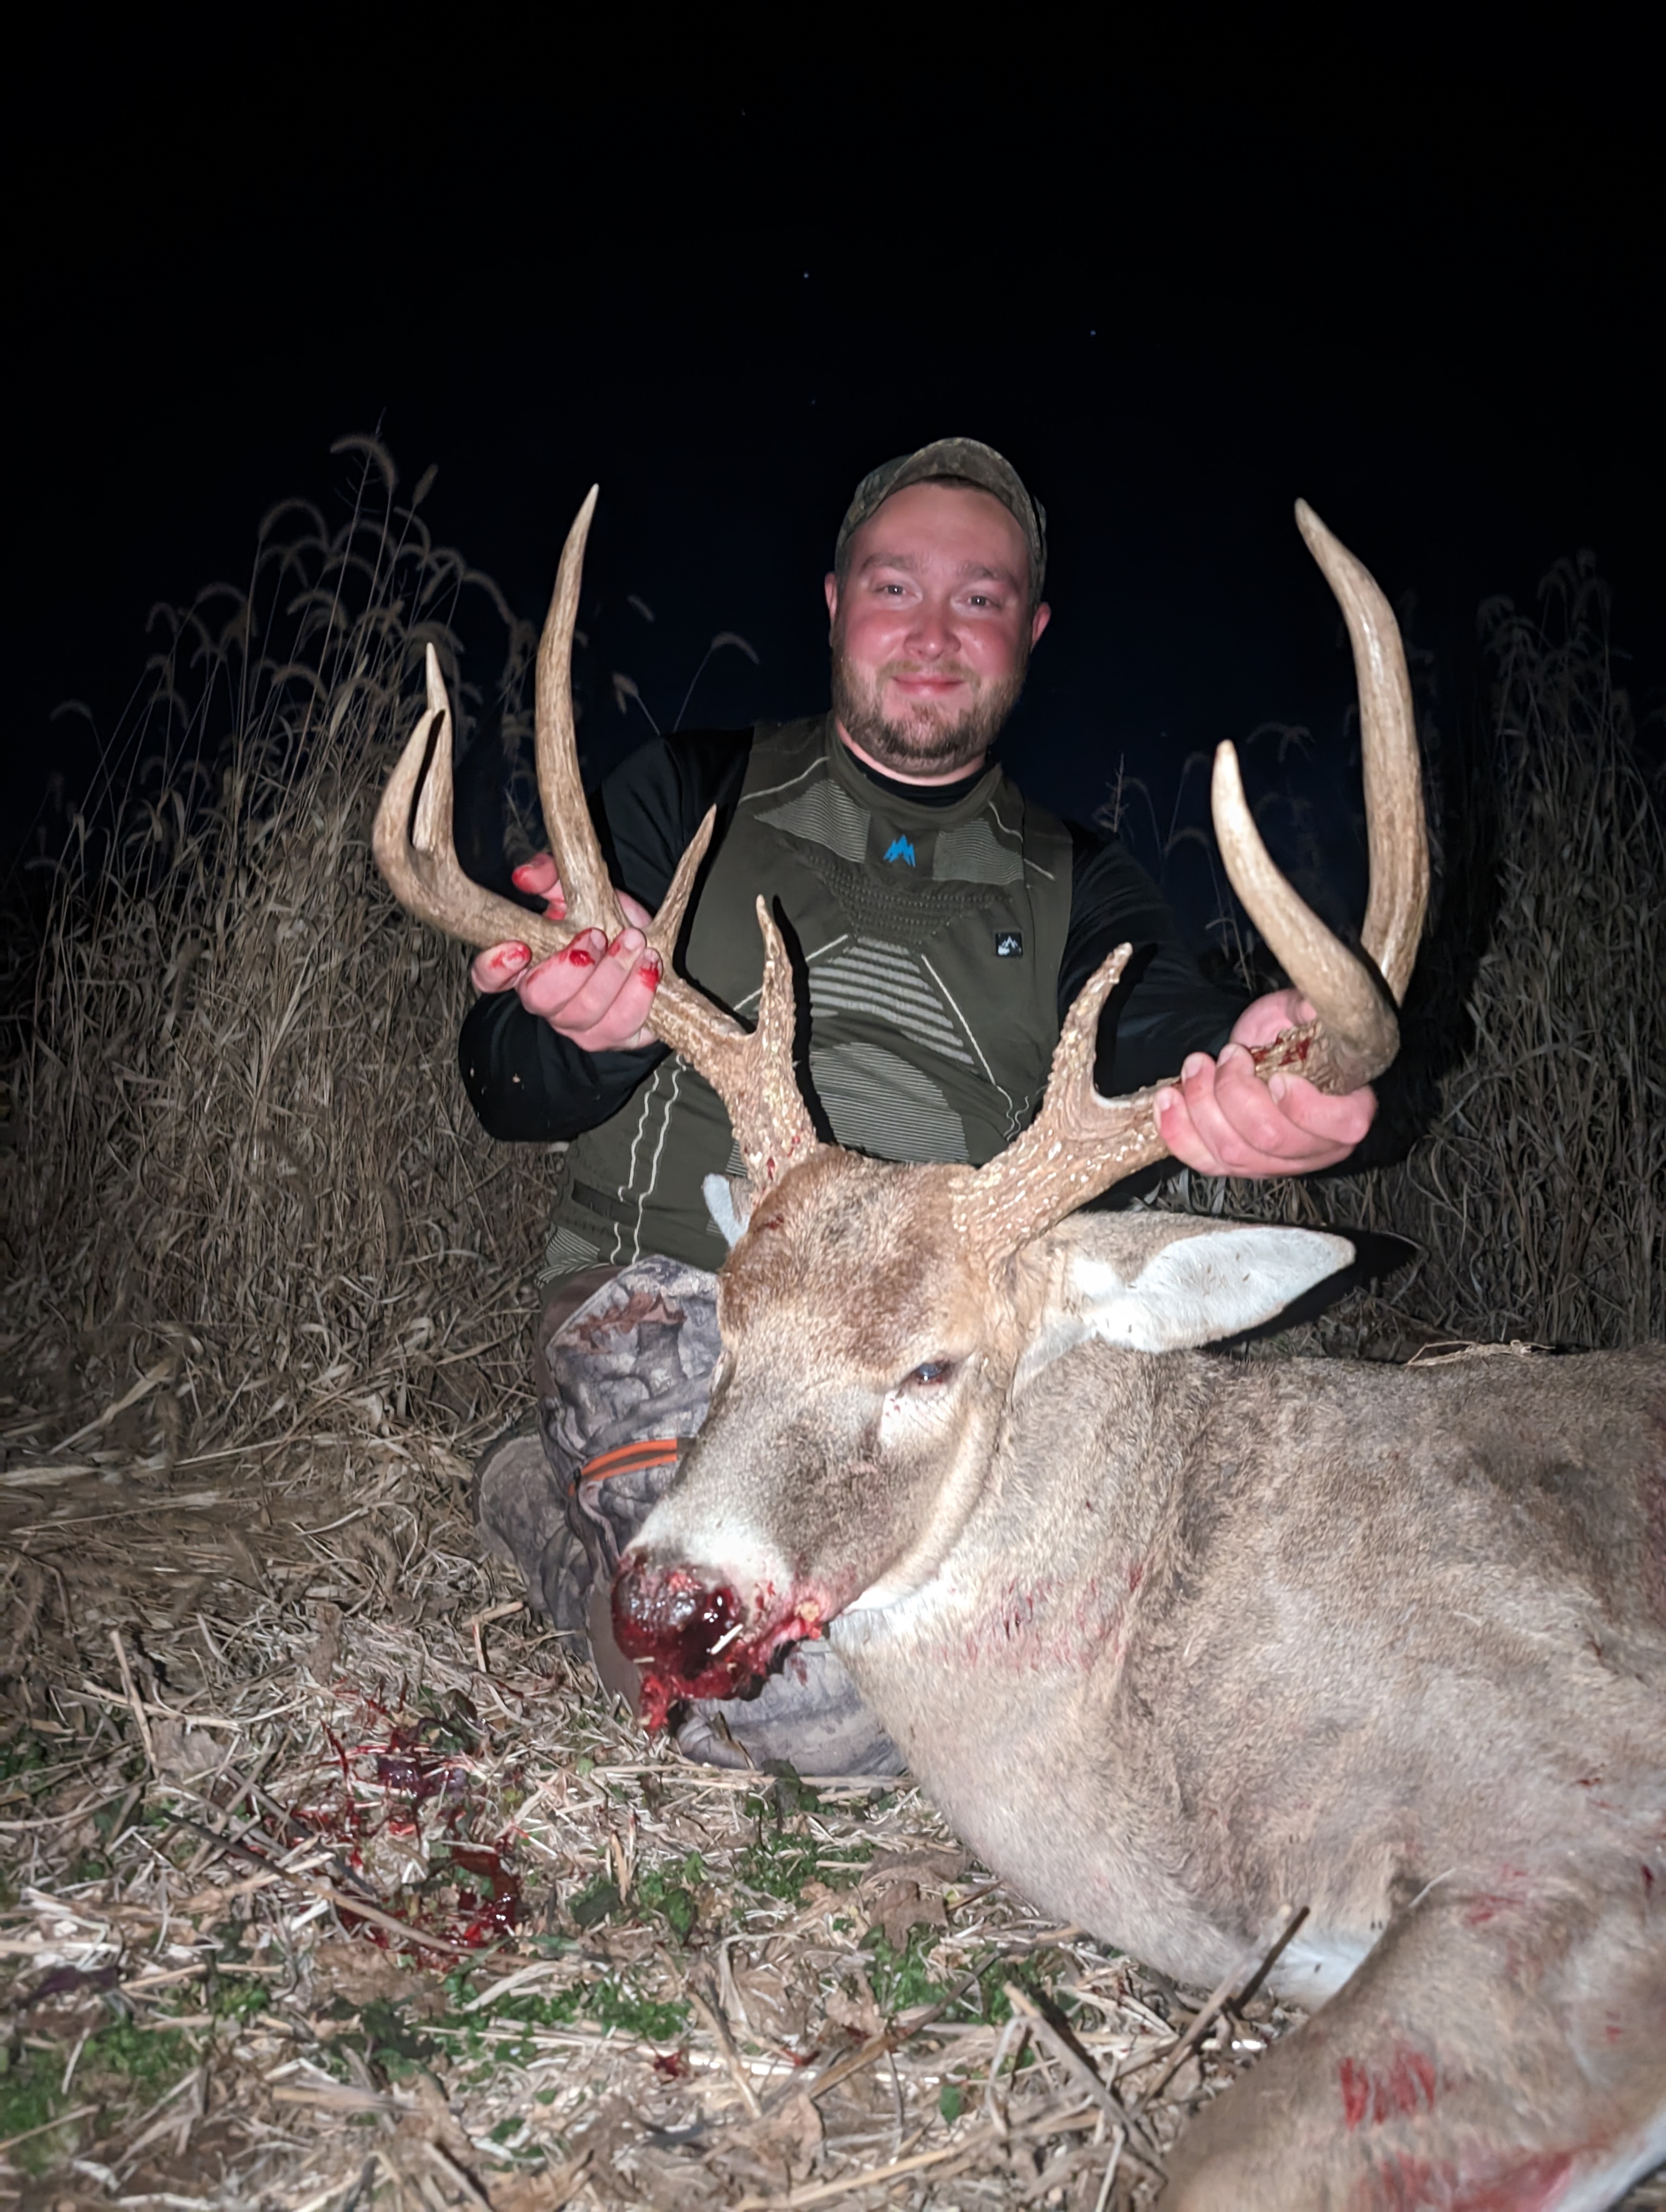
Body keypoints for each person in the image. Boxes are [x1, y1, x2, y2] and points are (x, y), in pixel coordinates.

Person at [459, 439, 1377, 1773]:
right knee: (798, 1699)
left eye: (983, 598)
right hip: (700, 1295)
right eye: (897, 588)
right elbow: (505, 1080)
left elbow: (1163, 1030)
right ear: (836, 604)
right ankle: (535, 1499)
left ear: (1033, 632)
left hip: (950, 1336)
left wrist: (1261, 1068)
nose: (936, 634)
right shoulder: (688, 791)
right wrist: (581, 1028)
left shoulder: (1084, 876)